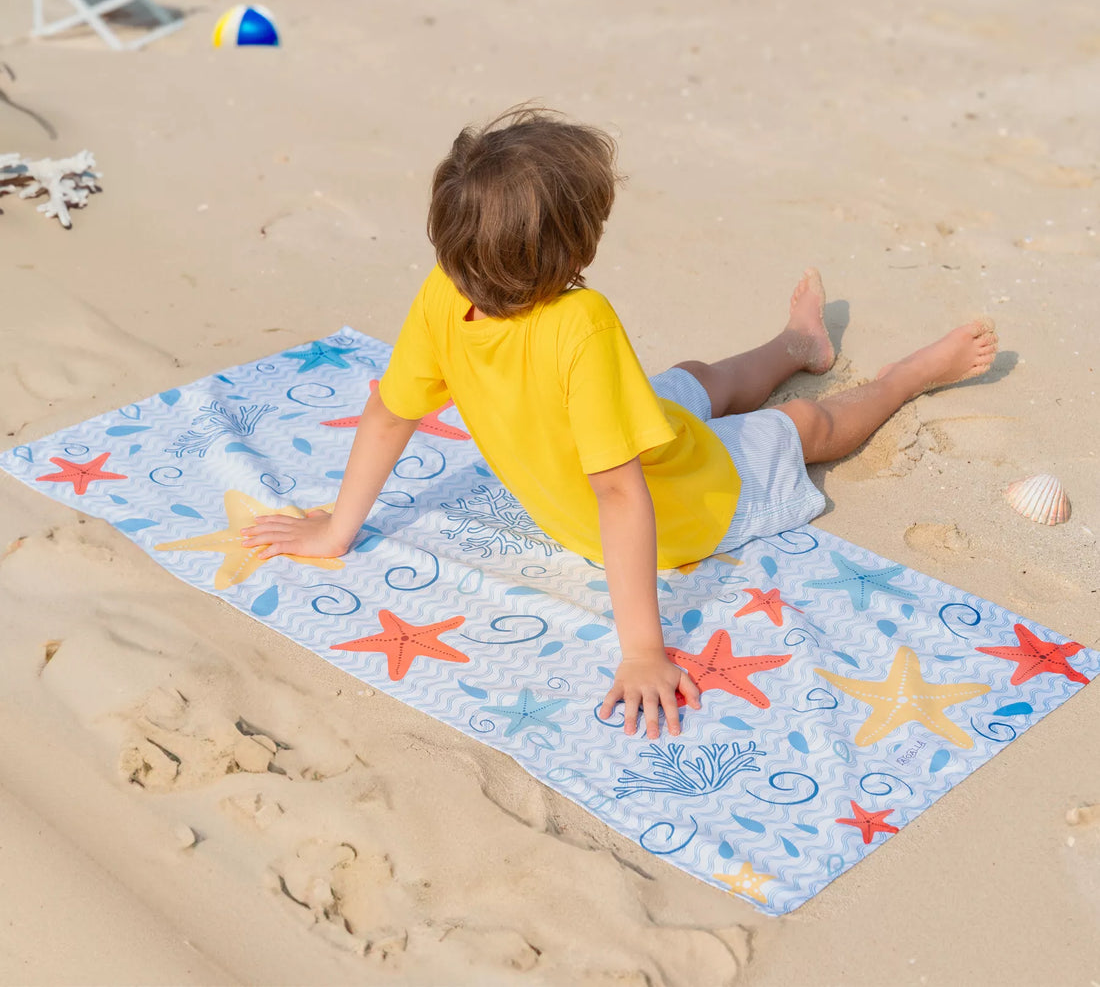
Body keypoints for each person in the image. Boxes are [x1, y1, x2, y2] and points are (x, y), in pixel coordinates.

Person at [242, 106, 998, 740]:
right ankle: (909, 377)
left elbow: (388, 413)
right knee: (804, 424)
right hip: (682, 506)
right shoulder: (583, 322)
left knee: (695, 380)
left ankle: (795, 345)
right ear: (579, 244)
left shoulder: (446, 291)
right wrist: (642, 648)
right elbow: (620, 493)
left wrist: (337, 530)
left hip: (583, 467)